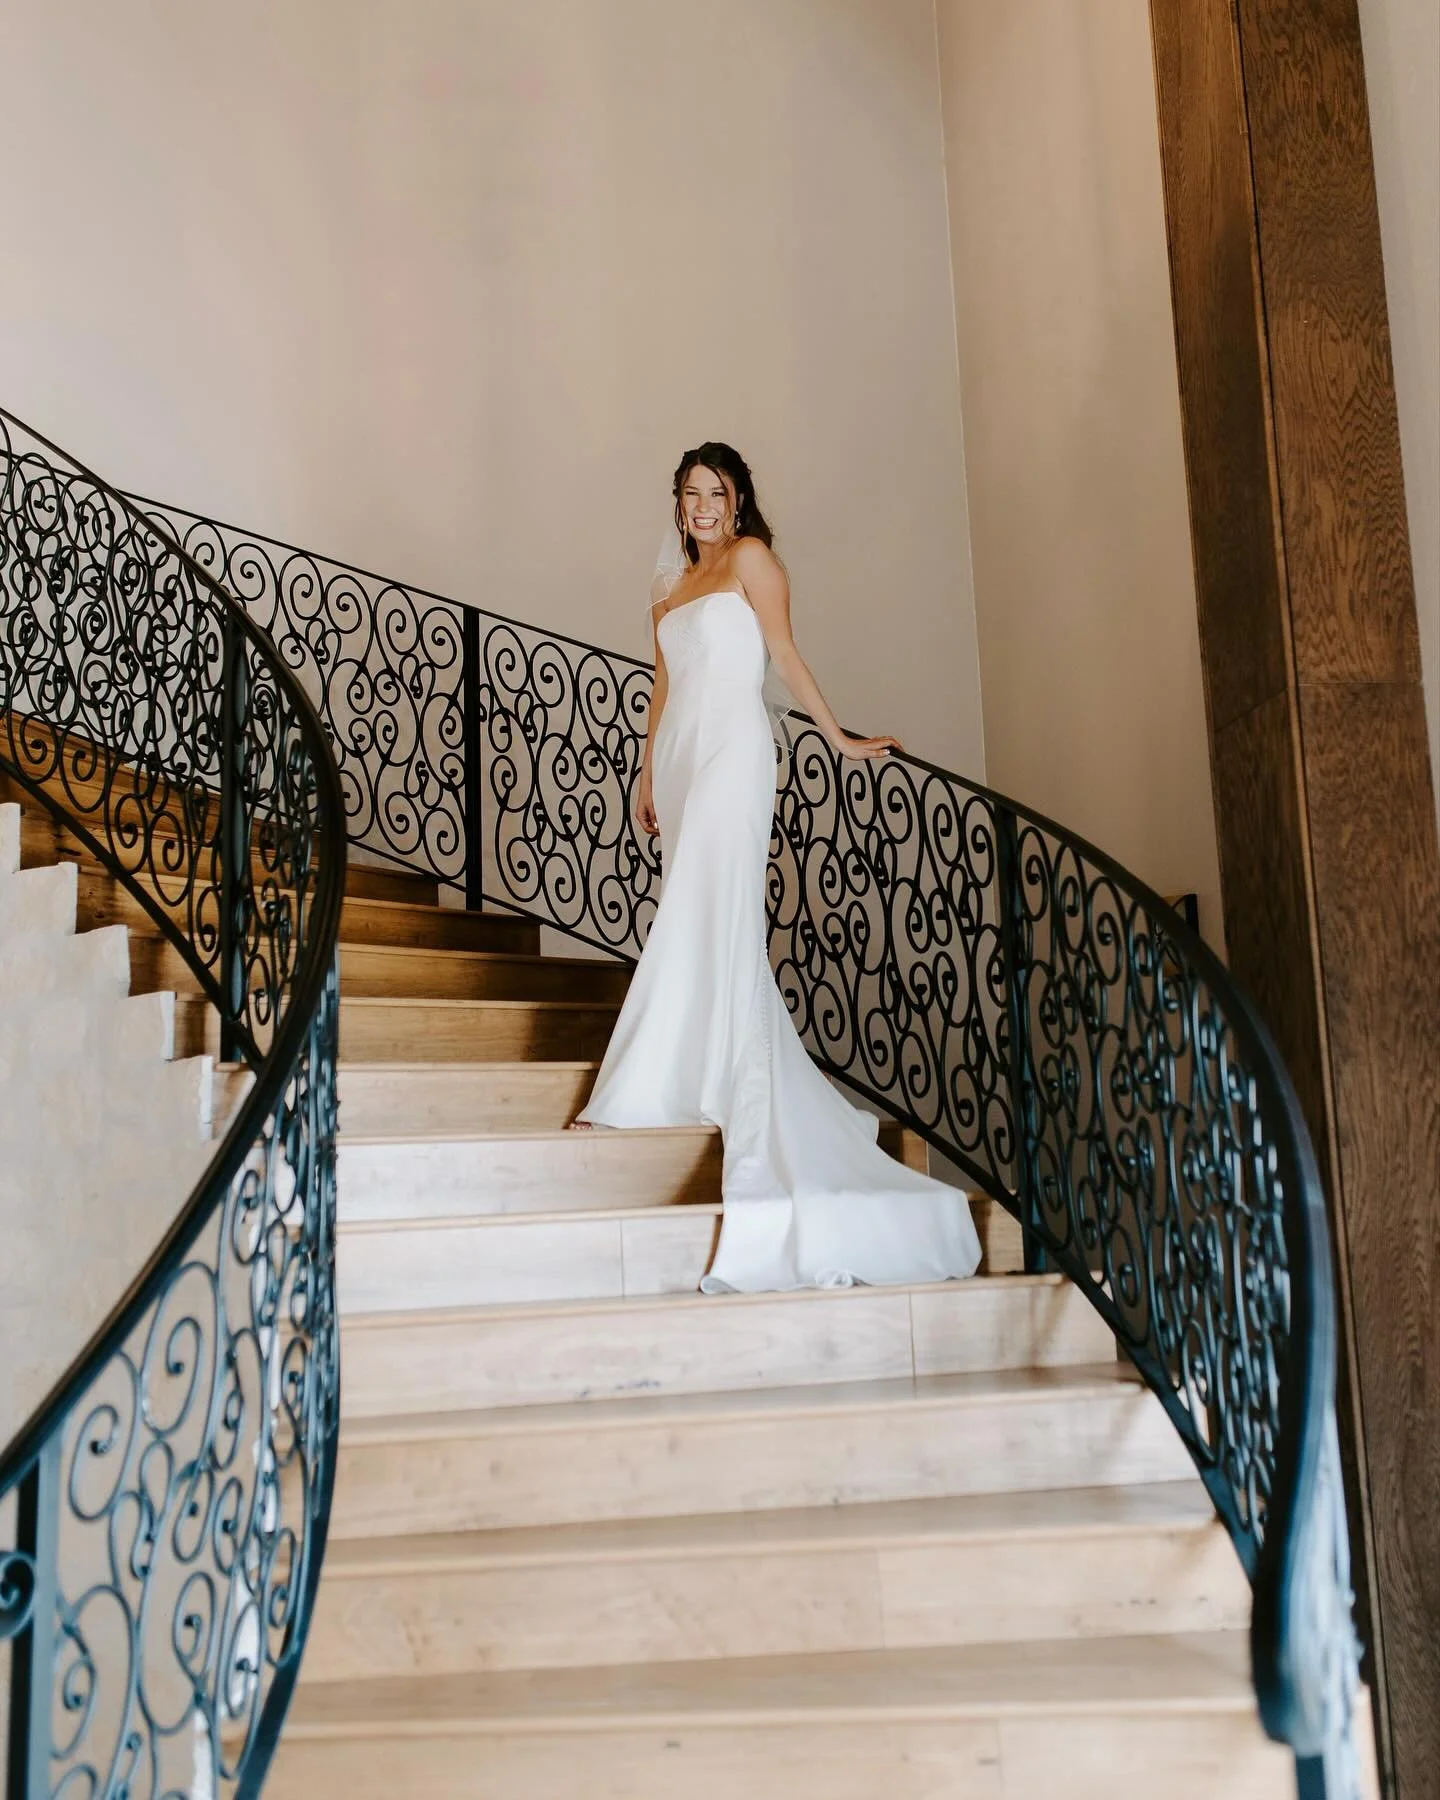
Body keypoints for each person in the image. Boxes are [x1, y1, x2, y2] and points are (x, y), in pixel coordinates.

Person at [570, 442, 981, 1293]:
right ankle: (692, 1065)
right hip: (683, 756)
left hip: (736, 749)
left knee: (702, 906)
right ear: (678, 503)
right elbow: (660, 684)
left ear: (737, 497)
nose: (700, 506)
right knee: (693, 907)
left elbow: (784, 657)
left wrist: (838, 737)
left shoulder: (753, 559)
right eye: (689, 494)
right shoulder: (667, 587)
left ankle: (647, 1084)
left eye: (714, 492)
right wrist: (644, 772)